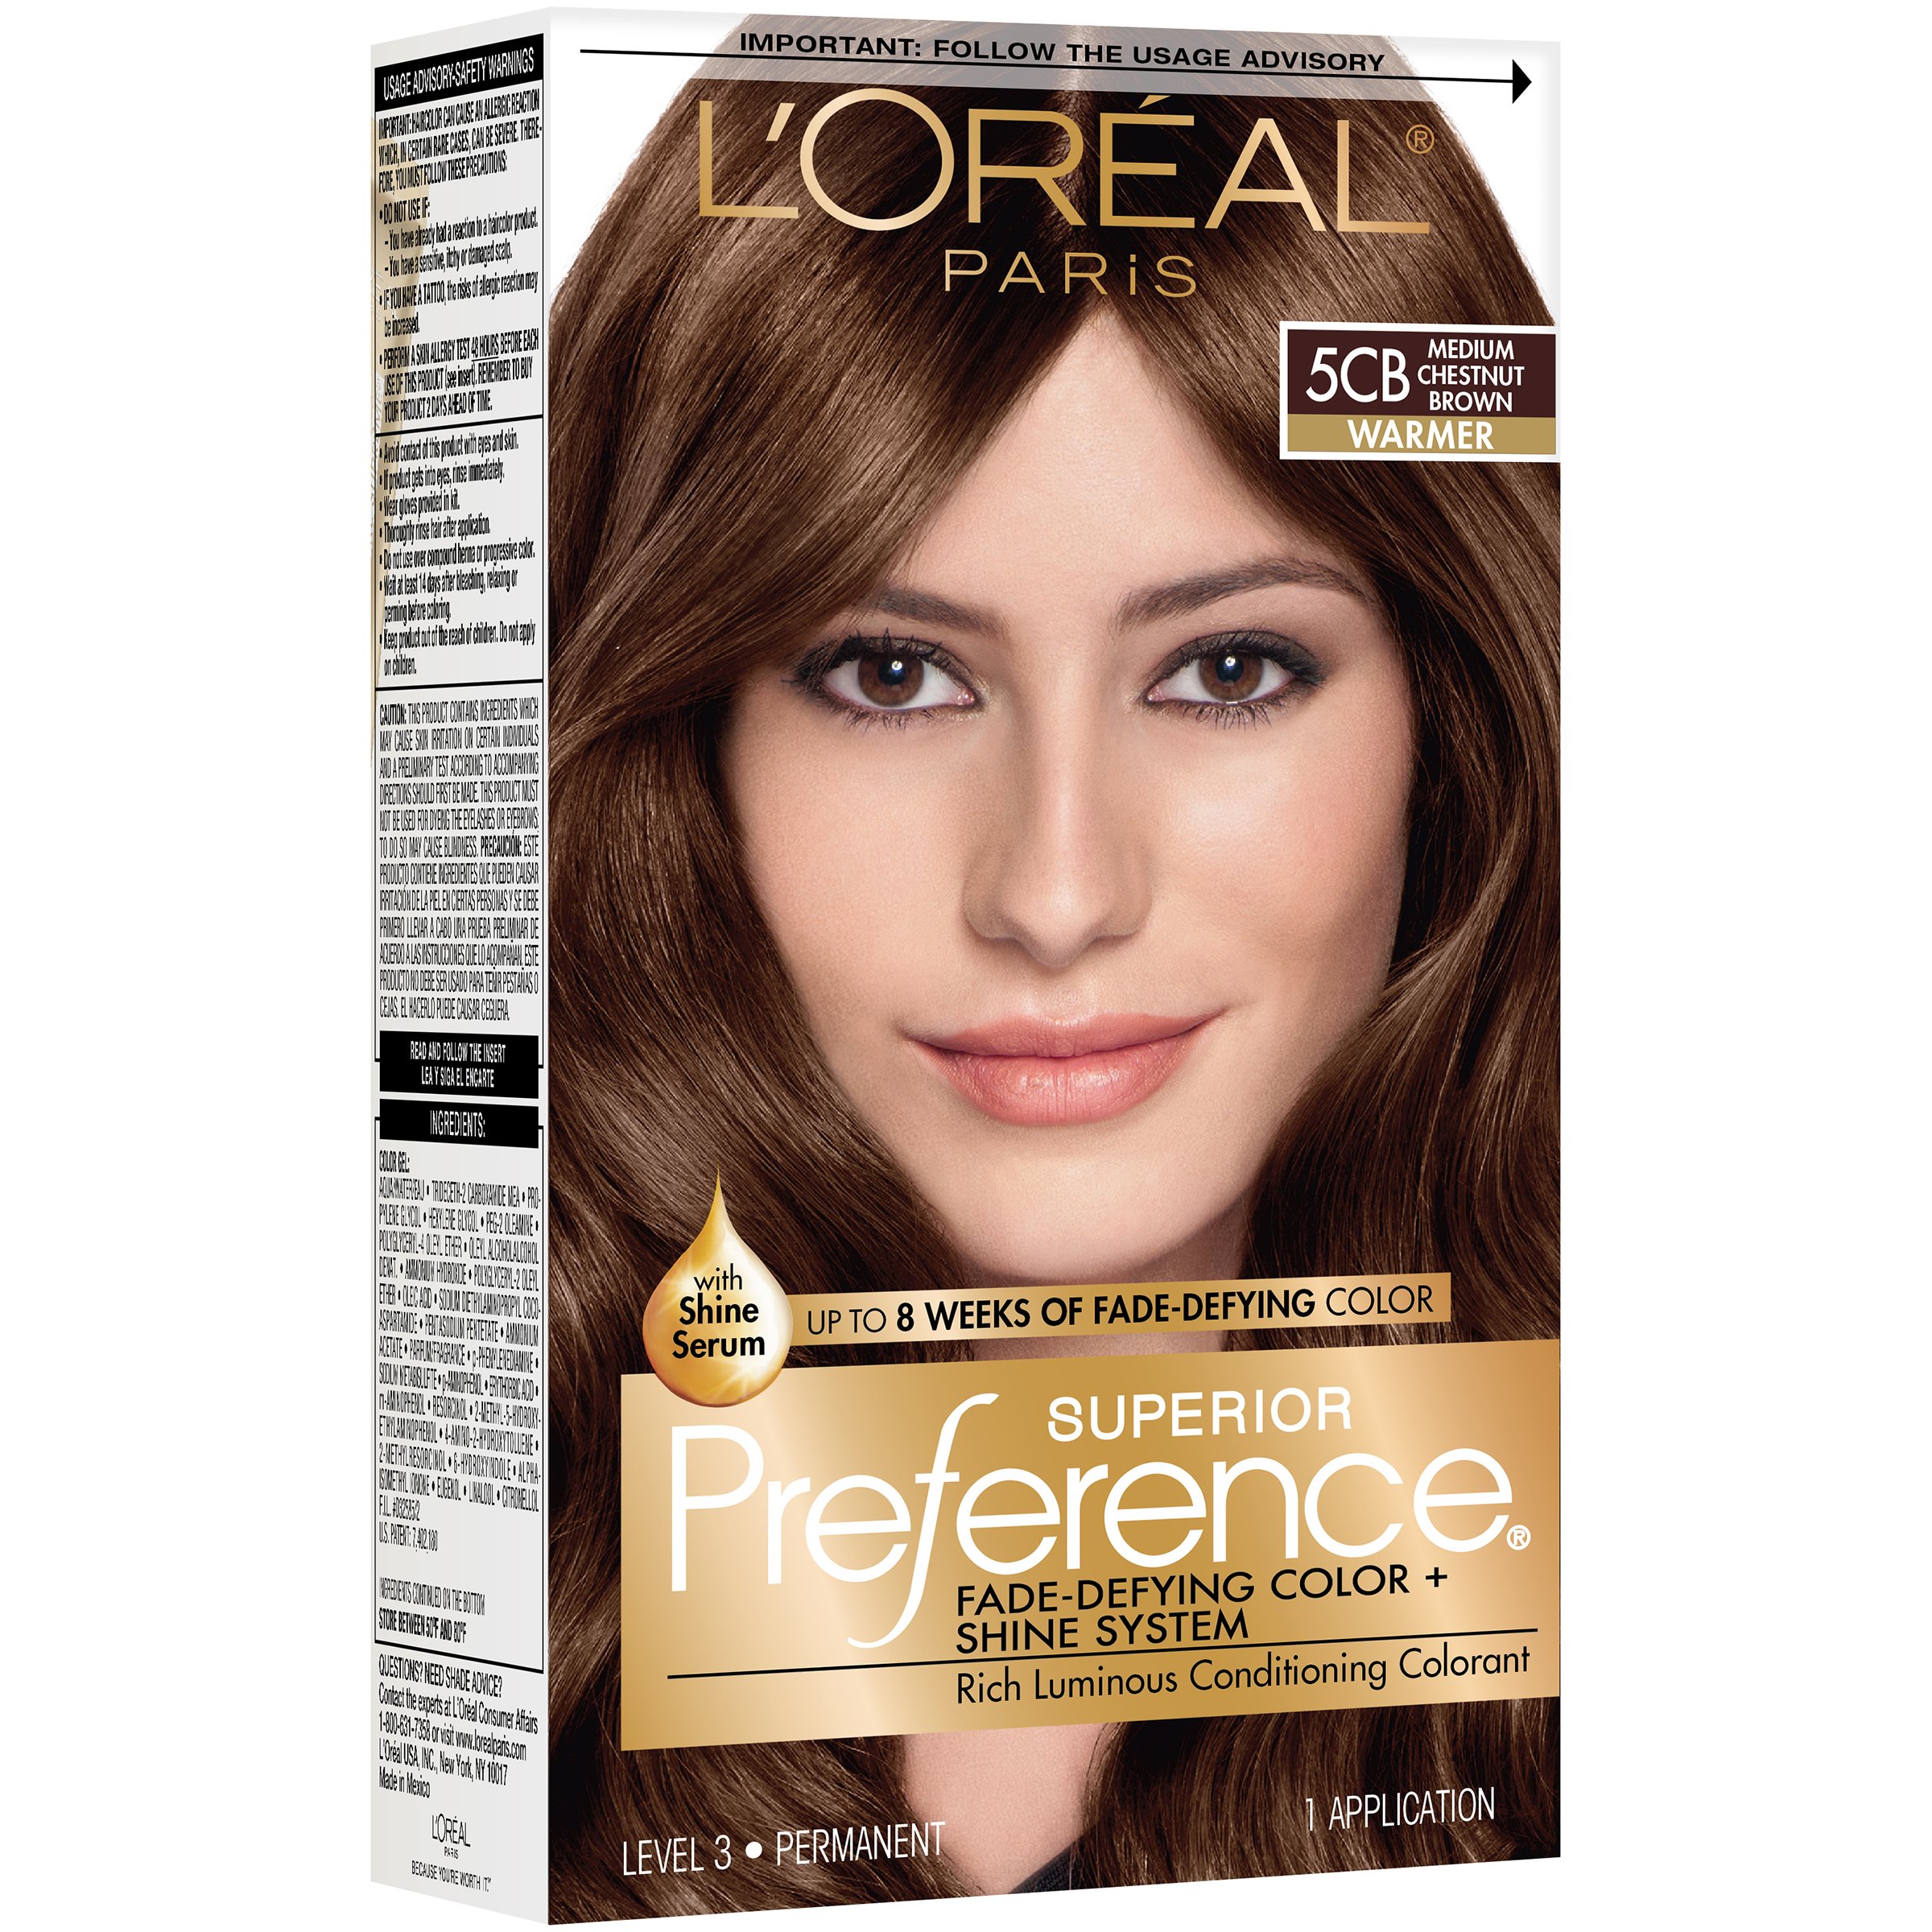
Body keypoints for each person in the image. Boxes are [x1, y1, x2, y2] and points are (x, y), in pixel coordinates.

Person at [547, 31, 1557, 1916]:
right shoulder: (484, 1630)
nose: (1058, 892)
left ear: (1456, 725)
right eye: (891, 674)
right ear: (688, 754)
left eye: (1231, 670)